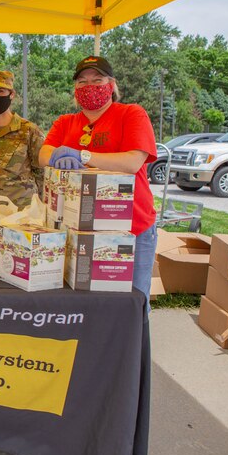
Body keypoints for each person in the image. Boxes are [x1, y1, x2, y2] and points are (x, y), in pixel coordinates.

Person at [38, 55, 158, 302]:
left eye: (97, 79)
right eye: (82, 82)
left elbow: (132, 162)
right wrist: (57, 154)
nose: (89, 86)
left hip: (131, 230)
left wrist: (83, 155)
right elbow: (43, 154)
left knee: (131, 305)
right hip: (79, 233)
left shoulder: (131, 114)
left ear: (112, 84)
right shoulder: (66, 122)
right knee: (87, 307)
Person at [0, 70, 44, 209]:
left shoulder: (29, 131)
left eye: (0, 91)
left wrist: (42, 208)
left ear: (11, 94)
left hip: (22, 210)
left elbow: (41, 174)